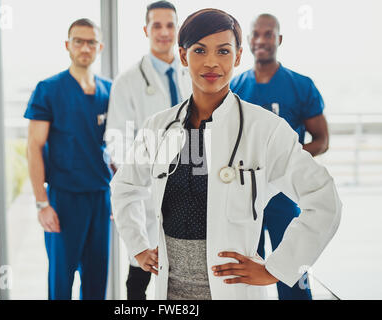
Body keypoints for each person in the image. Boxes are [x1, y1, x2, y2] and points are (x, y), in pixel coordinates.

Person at [110, 8, 341, 300]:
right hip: (171, 292)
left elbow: (324, 198)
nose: (211, 62)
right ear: (183, 56)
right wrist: (138, 247)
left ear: (238, 56)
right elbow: (124, 187)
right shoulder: (159, 127)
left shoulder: (264, 129)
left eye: (222, 51)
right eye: (199, 50)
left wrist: (277, 268)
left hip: (233, 291)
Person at [230, 13, 329, 300]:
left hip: (285, 196)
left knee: (293, 274)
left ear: (279, 39)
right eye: (256, 34)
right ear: (248, 40)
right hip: (246, 197)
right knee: (246, 274)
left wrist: (282, 161)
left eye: (268, 34)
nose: (261, 40)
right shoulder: (235, 88)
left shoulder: (300, 86)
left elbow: (321, 141)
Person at [105, 1, 191, 300]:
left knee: (186, 276)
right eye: (157, 25)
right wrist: (141, 176)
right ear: (146, 30)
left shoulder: (191, 74)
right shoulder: (127, 82)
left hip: (192, 189)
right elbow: (117, 140)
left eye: (170, 25)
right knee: (141, 273)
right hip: (147, 190)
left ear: (178, 30)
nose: (164, 32)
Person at [24, 18, 112, 300]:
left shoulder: (110, 91)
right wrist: (42, 204)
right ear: (68, 45)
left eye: (90, 42)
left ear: (99, 47)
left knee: (97, 281)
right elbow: (33, 147)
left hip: (100, 197)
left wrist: (120, 196)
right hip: (64, 199)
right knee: (61, 282)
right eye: (78, 41)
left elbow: (119, 148)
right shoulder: (48, 89)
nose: (84, 47)